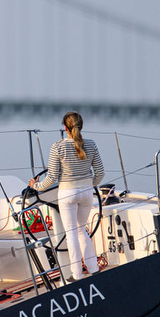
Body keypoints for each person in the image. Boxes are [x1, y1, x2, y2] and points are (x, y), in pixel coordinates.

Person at [28, 111, 105, 281]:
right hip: (86, 193)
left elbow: (52, 177)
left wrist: (36, 186)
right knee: (81, 231)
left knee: (71, 234)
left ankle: (76, 274)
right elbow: (100, 173)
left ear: (65, 127)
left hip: (67, 194)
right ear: (81, 126)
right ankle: (93, 268)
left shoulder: (58, 147)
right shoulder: (91, 145)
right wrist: (88, 184)